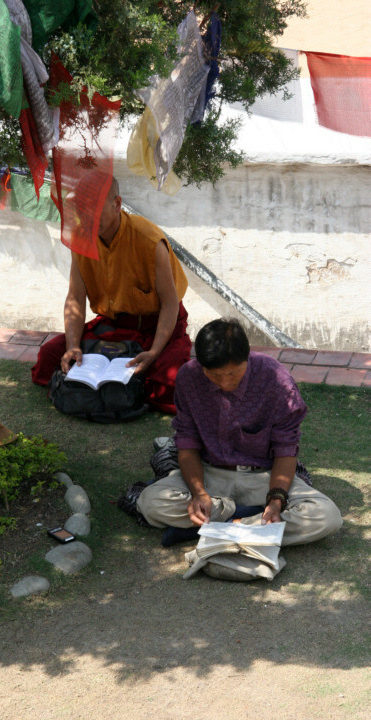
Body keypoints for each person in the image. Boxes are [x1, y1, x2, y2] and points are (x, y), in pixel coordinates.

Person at [137, 318, 343, 554]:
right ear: (201, 365)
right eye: (214, 375)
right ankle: (253, 528)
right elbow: (187, 441)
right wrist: (199, 494)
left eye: (233, 373)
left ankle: (220, 528)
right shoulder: (189, 377)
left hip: (262, 478)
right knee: (150, 502)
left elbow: (286, 448)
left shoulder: (275, 380)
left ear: (247, 358)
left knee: (327, 517)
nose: (225, 382)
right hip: (210, 475)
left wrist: (275, 502)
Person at [32, 176, 191, 413]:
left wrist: (155, 352)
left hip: (156, 326)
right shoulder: (81, 238)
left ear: (117, 204)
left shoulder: (148, 240)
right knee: (49, 356)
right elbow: (75, 298)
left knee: (169, 381)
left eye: (93, 210)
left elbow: (170, 304)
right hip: (111, 327)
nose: (86, 219)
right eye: (81, 211)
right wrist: (73, 346)